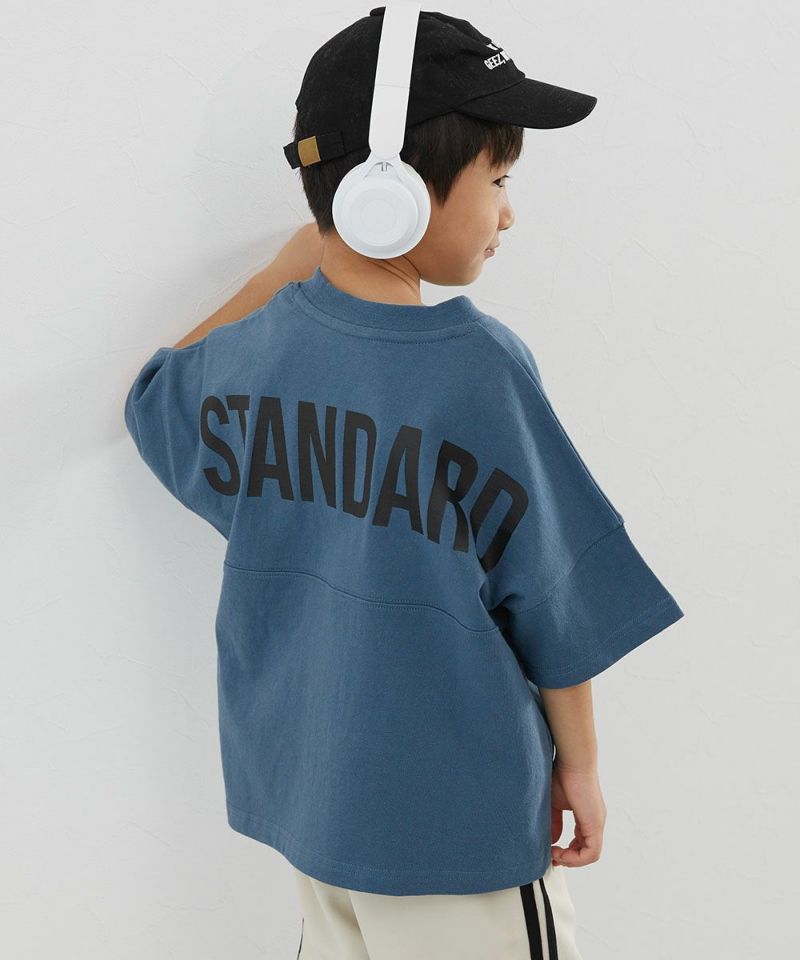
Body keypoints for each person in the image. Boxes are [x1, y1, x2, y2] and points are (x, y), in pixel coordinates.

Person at [123, 8, 685, 959]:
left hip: (313, 809)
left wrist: (286, 268)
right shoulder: (477, 368)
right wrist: (582, 768)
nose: (509, 213)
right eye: (498, 180)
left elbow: (153, 398)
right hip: (456, 829)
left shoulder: (258, 355)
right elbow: (552, 603)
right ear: (392, 193)